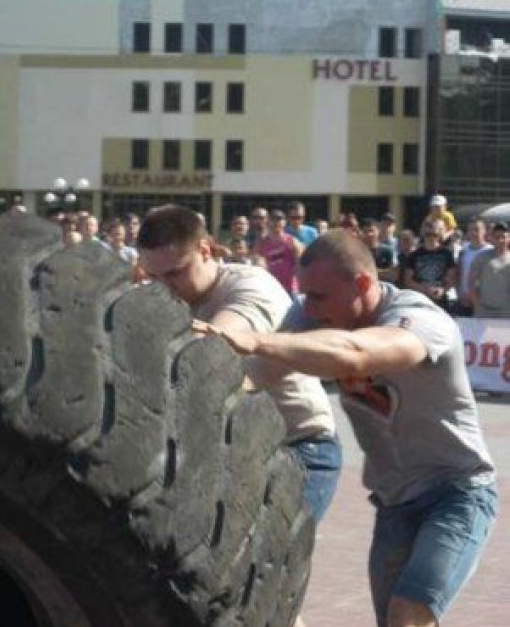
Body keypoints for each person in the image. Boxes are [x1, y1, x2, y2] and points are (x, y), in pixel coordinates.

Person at [212, 230, 496, 627]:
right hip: (394, 503)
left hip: (456, 493)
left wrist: (257, 340)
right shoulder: (310, 314)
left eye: (319, 296)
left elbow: (356, 354)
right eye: (305, 295)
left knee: (406, 618)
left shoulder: (421, 319)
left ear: (362, 284)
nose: (309, 308)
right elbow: (258, 375)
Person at [137, 206, 340, 529]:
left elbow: (213, 349)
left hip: (298, 448)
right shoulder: (164, 297)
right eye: (153, 277)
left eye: (175, 273)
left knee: (271, 552)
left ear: (205, 250)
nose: (164, 287)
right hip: (227, 454)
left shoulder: (251, 287)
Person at [402, 219, 456, 311]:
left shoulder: (447, 254)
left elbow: (453, 277)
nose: (431, 238)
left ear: (439, 234)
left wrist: (443, 290)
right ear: (423, 235)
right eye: (428, 234)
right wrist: (425, 289)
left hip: (440, 300)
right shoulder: (414, 255)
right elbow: (408, 280)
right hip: (419, 299)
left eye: (434, 234)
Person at [255, 209, 303, 296]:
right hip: (271, 288)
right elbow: (258, 264)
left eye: (280, 219)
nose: (276, 222)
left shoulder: (292, 241)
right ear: (268, 222)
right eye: (273, 219)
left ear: (284, 222)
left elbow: (300, 264)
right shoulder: (262, 243)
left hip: (290, 288)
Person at [469, 221, 510, 318]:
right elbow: (471, 281)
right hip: (484, 310)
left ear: (508, 238)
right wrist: (476, 304)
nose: (500, 240)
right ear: (491, 238)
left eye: (503, 237)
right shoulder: (482, 257)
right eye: (497, 237)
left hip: (507, 311)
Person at [456, 217, 492, 317]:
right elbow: (458, 274)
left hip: (484, 302)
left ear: (484, 231)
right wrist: (460, 295)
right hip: (465, 301)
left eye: (477, 229)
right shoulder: (463, 251)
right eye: (471, 230)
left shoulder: (491, 251)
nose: (474, 233)